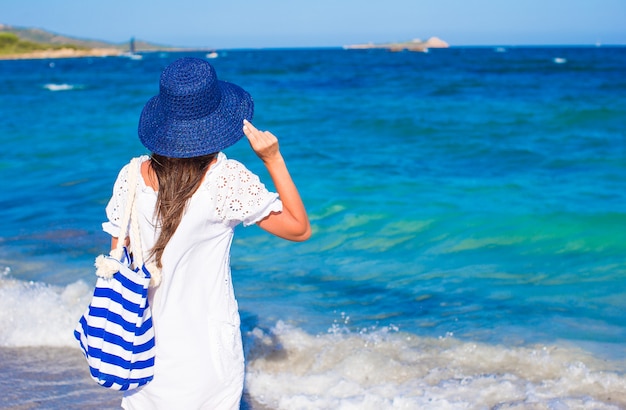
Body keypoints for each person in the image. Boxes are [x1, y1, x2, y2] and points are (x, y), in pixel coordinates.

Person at [101, 57, 311, 409]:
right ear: (217, 119)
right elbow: (299, 229)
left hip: (141, 352)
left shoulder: (131, 176)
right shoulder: (224, 180)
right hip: (205, 361)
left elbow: (118, 259)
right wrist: (273, 159)